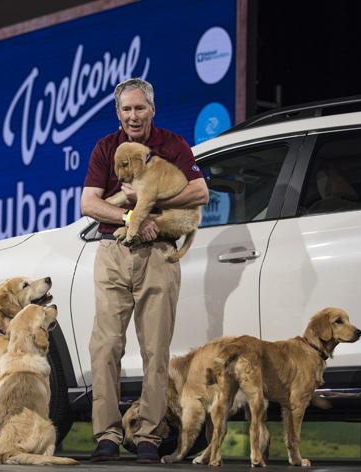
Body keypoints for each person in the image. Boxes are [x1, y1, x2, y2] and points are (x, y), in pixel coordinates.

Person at [81, 78, 209, 463]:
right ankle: (107, 435)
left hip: (158, 255)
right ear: (117, 113)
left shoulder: (173, 145)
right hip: (114, 251)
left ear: (152, 109)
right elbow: (89, 203)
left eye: (139, 108)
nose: (133, 116)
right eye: (126, 110)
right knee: (105, 347)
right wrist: (131, 216)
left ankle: (149, 437)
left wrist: (150, 202)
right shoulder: (106, 148)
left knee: (156, 350)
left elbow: (200, 192)